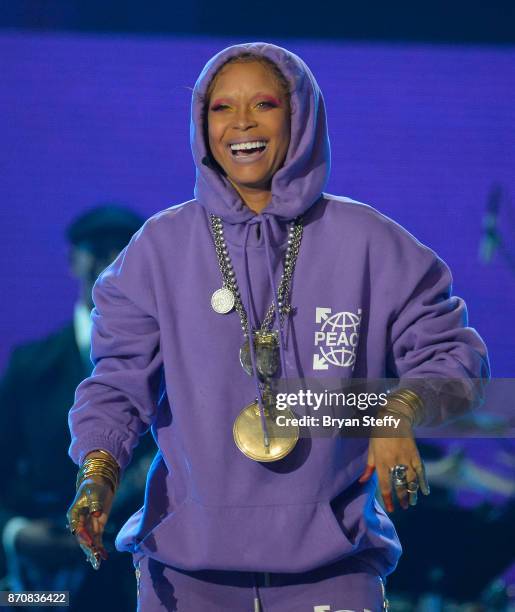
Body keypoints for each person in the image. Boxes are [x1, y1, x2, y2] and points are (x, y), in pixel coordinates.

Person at [66, 43, 490, 611]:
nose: (241, 123)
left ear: (300, 116)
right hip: (188, 573)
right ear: (200, 123)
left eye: (263, 104)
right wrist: (98, 468)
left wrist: (398, 410)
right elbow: (118, 382)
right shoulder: (158, 251)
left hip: (333, 567)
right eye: (220, 108)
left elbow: (456, 362)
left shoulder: (371, 243)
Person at [0, 205, 155, 610]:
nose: (107, 264)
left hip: (140, 575)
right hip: (46, 586)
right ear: (73, 260)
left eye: (120, 252)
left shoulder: (176, 364)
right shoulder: (30, 366)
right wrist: (15, 533)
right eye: (96, 251)